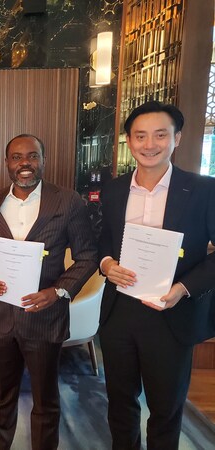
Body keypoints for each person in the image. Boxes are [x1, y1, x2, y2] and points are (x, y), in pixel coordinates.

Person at [98, 101, 215, 450]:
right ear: (129, 141)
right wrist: (106, 264)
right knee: (120, 402)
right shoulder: (114, 189)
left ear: (176, 138)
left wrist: (183, 288)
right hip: (119, 312)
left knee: (165, 407)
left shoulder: (204, 190)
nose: (150, 144)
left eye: (160, 135)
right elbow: (104, 240)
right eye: (140, 136)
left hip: (172, 313)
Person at [0, 134, 98, 450]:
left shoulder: (67, 201)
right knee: (2, 395)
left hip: (43, 318)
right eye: (16, 157)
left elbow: (87, 256)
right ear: (7, 163)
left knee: (45, 400)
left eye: (32, 156)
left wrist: (58, 291)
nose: (25, 163)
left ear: (43, 160)